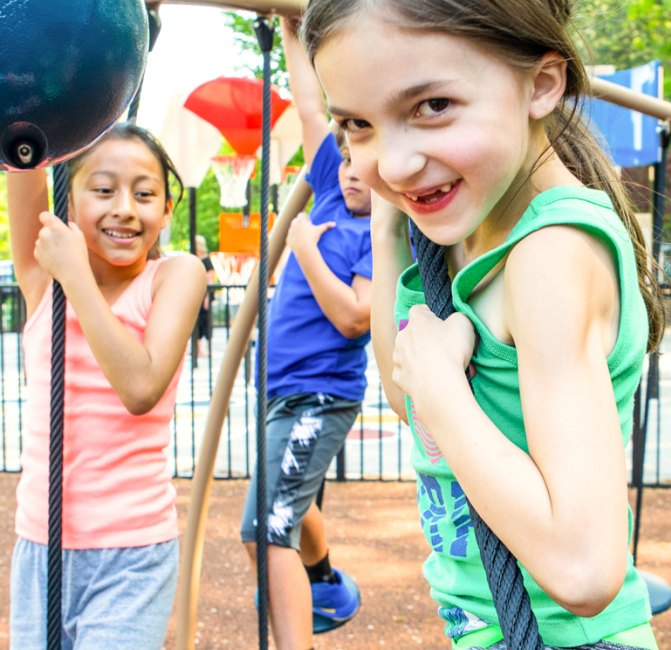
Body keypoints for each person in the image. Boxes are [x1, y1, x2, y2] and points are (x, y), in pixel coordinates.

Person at [302, 1, 667, 648]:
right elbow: (410, 399)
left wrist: (443, 388)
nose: (393, 163)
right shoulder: (465, 230)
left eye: (432, 105)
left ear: (541, 85)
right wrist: (390, 230)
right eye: (358, 124)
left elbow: (585, 570)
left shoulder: (549, 253)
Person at [6, 122, 208, 648]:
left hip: (132, 551)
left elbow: (140, 387)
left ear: (166, 211)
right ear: (67, 203)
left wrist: (75, 277)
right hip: (41, 543)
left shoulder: (175, 276)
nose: (124, 208)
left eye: (145, 194)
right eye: (102, 190)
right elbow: (19, 138)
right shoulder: (40, 276)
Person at [237, 15, 371, 649]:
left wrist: (303, 250)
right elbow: (311, 103)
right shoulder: (328, 195)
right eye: (342, 159)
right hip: (284, 389)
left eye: (361, 161)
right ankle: (324, 581)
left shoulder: (383, 233)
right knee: (295, 497)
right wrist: (294, 32)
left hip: (320, 393)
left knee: (264, 529)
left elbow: (354, 316)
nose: (349, 170)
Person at [193, 234, 216, 357]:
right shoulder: (194, 259)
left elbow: (210, 280)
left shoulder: (206, 261)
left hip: (204, 295)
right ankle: (198, 348)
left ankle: (206, 349)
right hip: (197, 295)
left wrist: (207, 297)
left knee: (206, 322)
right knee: (197, 322)